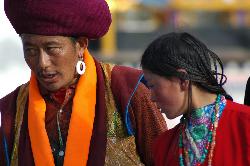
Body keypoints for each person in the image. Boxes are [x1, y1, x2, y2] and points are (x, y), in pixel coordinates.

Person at [0, 0, 167, 165]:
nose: (42, 63)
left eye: (52, 49)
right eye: (30, 50)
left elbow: (166, 160)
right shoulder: (12, 109)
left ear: (80, 45)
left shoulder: (128, 91)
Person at [141, 32, 250, 166]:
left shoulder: (245, 123)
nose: (151, 97)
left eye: (153, 85)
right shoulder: (163, 146)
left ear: (182, 79)